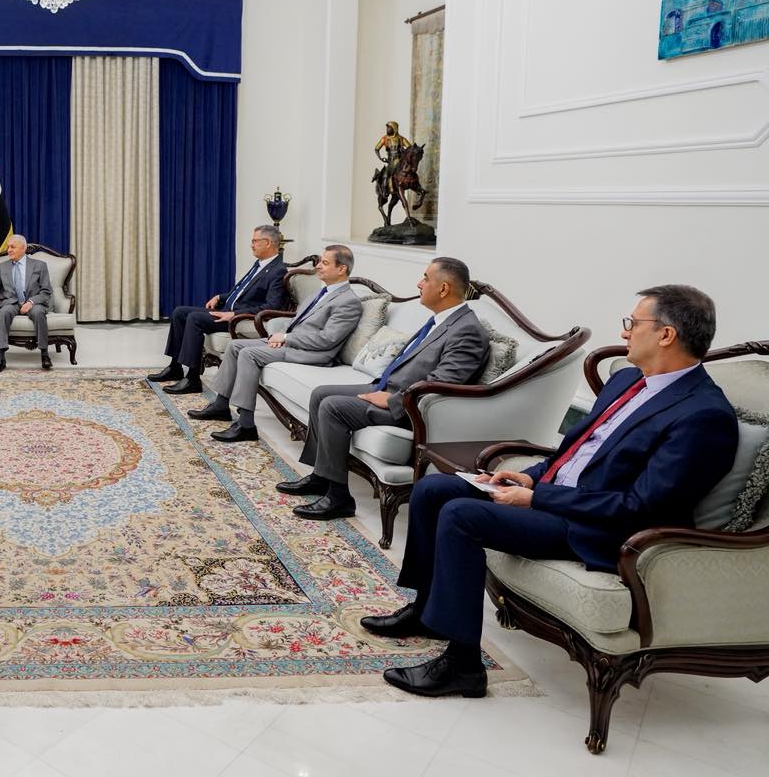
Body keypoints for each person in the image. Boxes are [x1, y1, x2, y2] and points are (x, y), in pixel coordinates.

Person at [366, 285, 737, 698]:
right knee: (434, 489)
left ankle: (463, 667)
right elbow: (576, 451)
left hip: (598, 529)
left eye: (633, 323)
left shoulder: (704, 415)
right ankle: (425, 611)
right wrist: (531, 477)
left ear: (666, 335)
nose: (625, 332)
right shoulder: (628, 380)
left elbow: (640, 506)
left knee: (461, 516)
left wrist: (537, 498)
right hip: (557, 499)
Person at [276, 257, 490, 521]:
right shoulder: (442, 320)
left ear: (443, 289)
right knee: (321, 393)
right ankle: (322, 476)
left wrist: (391, 400)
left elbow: (441, 385)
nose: (419, 283)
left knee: (333, 407)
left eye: (425, 278)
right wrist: (382, 389)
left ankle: (339, 498)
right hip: (388, 388)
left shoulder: (467, 331)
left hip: (409, 409)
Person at [191, 244, 363, 443]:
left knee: (248, 354)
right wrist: (279, 335)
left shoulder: (348, 302)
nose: (318, 266)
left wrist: (286, 338)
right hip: (293, 343)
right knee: (234, 346)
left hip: (313, 353)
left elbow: (327, 339)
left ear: (341, 269)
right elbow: (296, 321)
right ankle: (221, 405)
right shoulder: (321, 292)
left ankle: (246, 425)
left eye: (324, 263)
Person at [149, 226, 287, 395]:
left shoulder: (278, 270)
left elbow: (272, 306)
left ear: (268, 243)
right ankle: (175, 367)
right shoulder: (260, 264)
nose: (251, 245)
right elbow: (241, 292)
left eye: (254, 241)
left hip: (241, 318)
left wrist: (234, 314)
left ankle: (192, 379)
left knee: (195, 318)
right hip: (228, 310)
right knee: (179, 312)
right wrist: (220, 297)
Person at [0, 234, 55, 372]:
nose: (8, 250)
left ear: (23, 248)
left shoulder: (40, 266)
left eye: (12, 247)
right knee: (4, 312)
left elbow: (46, 291)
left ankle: (45, 354)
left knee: (39, 313)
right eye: (8, 247)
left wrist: (31, 302)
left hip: (33, 302)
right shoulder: (2, 267)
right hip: (11, 302)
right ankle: (1, 357)